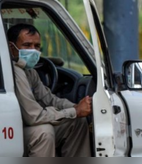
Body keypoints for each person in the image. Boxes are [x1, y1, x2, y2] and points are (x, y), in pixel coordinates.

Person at [7, 23, 92, 157]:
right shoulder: (13, 71)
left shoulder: (29, 71)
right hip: (11, 133)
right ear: (12, 48)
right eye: (27, 45)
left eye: (37, 46)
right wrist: (74, 111)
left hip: (23, 129)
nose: (33, 50)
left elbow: (49, 99)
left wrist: (77, 107)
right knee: (44, 132)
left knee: (77, 122)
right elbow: (33, 117)